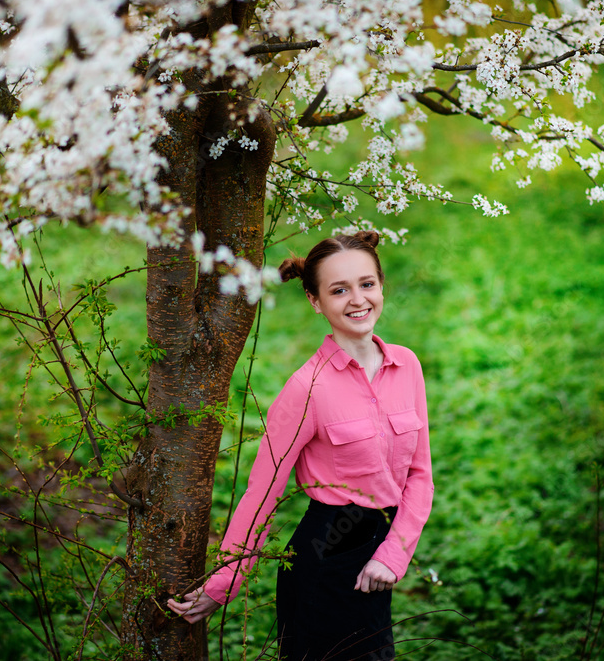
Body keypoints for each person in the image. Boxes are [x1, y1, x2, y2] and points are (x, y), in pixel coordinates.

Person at [167, 231, 434, 660]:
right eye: (339, 290)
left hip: (379, 556)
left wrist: (394, 554)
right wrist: (224, 584)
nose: (357, 300)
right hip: (324, 557)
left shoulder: (407, 367)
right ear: (315, 301)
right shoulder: (306, 388)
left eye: (367, 284)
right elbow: (263, 492)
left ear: (381, 285)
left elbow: (420, 475)